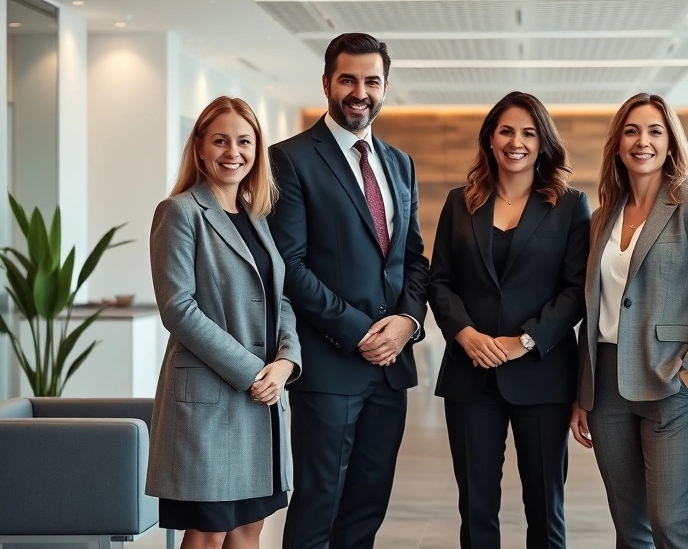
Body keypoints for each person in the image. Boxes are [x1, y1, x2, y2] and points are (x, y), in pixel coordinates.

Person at [267, 32, 430, 549]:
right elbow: (288, 265)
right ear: (327, 84)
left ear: (385, 87)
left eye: (372, 81)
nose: (360, 91)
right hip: (331, 367)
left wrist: (406, 324)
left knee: (367, 507)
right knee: (320, 504)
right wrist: (360, 332)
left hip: (390, 370)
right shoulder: (289, 159)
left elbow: (413, 259)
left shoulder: (400, 162)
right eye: (349, 80)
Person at [570, 92, 688, 549]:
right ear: (618, 144)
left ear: (670, 143)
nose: (642, 141)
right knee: (630, 528)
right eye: (631, 131)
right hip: (606, 386)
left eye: (654, 131)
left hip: (670, 383)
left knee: (670, 524)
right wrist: (582, 392)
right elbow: (593, 308)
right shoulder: (603, 215)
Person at [428, 91, 591, 549]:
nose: (516, 142)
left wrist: (526, 340)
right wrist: (463, 333)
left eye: (528, 132)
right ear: (490, 139)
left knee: (545, 507)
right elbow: (438, 281)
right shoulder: (460, 203)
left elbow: (578, 289)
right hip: (470, 375)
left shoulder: (571, 205)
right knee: (476, 507)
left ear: (542, 143)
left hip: (541, 377)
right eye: (506, 131)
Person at [147, 96, 301, 548]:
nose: (233, 152)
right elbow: (178, 309)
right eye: (220, 141)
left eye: (245, 141)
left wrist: (286, 361)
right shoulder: (179, 212)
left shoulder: (257, 216)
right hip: (214, 399)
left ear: (257, 150)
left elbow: (280, 298)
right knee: (210, 529)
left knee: (249, 527)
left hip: (263, 399)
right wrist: (252, 371)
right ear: (199, 148)